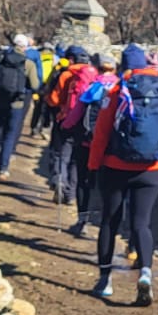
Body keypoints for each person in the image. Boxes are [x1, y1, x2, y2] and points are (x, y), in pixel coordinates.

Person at [88, 44, 158, 304]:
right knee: (141, 223)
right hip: (151, 169)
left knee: (109, 221)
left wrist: (94, 165)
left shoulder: (116, 91)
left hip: (115, 167)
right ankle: (145, 274)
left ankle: (105, 280)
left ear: (124, 66)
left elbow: (101, 133)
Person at [55, 46, 102, 234]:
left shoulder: (76, 79)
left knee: (76, 169)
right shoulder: (117, 86)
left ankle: (81, 216)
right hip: (105, 144)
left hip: (82, 135)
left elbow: (62, 102)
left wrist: (65, 124)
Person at [0, 34, 40, 182]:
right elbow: (35, 85)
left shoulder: (1, 59)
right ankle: (3, 169)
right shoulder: (28, 64)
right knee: (9, 136)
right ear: (25, 47)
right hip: (16, 104)